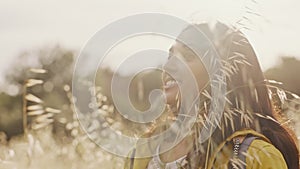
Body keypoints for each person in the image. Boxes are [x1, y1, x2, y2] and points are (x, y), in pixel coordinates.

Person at [124, 22, 299, 169]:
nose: (168, 67)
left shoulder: (255, 157)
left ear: (223, 75)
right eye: (170, 55)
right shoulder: (144, 148)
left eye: (187, 56)